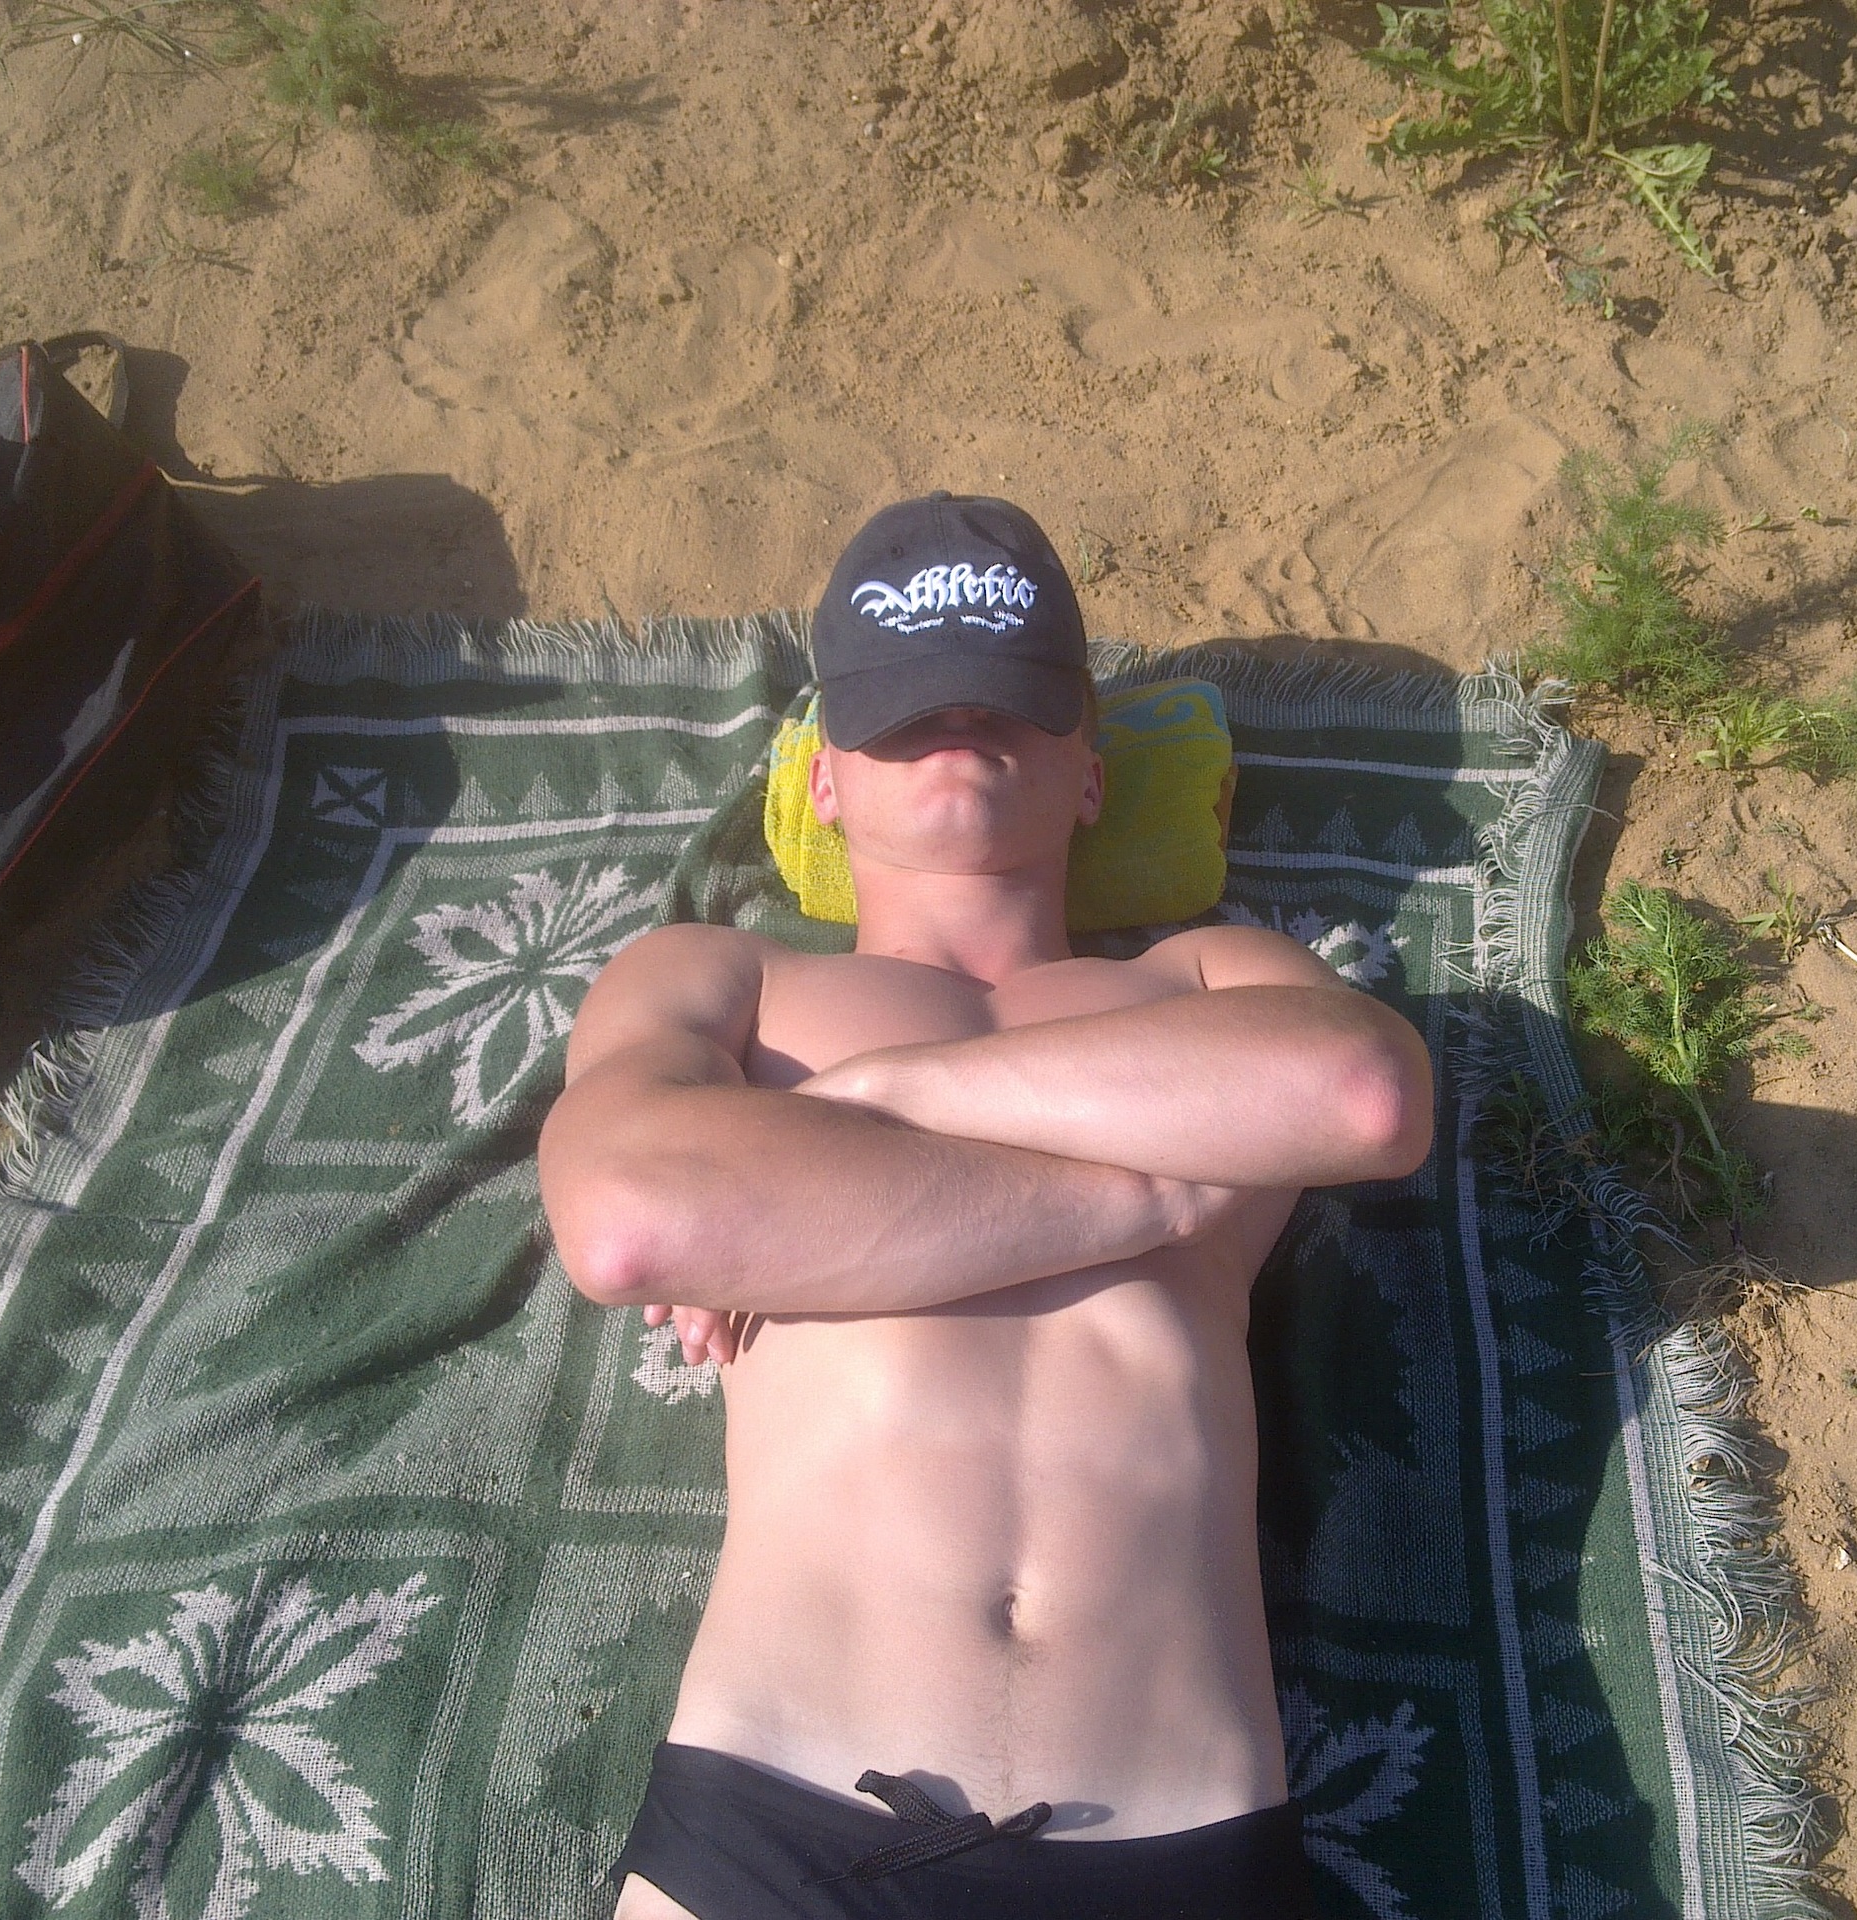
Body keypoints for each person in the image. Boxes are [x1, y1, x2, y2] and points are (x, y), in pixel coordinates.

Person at [539, 494, 1434, 1920]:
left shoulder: (1206, 971)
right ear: (822, 784)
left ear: (1091, 776)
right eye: (905, 714)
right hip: (782, 1816)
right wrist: (1158, 1188)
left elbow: (1364, 1095)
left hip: (1180, 1830)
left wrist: (875, 1103)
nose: (959, 726)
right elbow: (628, 1218)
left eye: (1006, 701)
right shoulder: (727, 975)